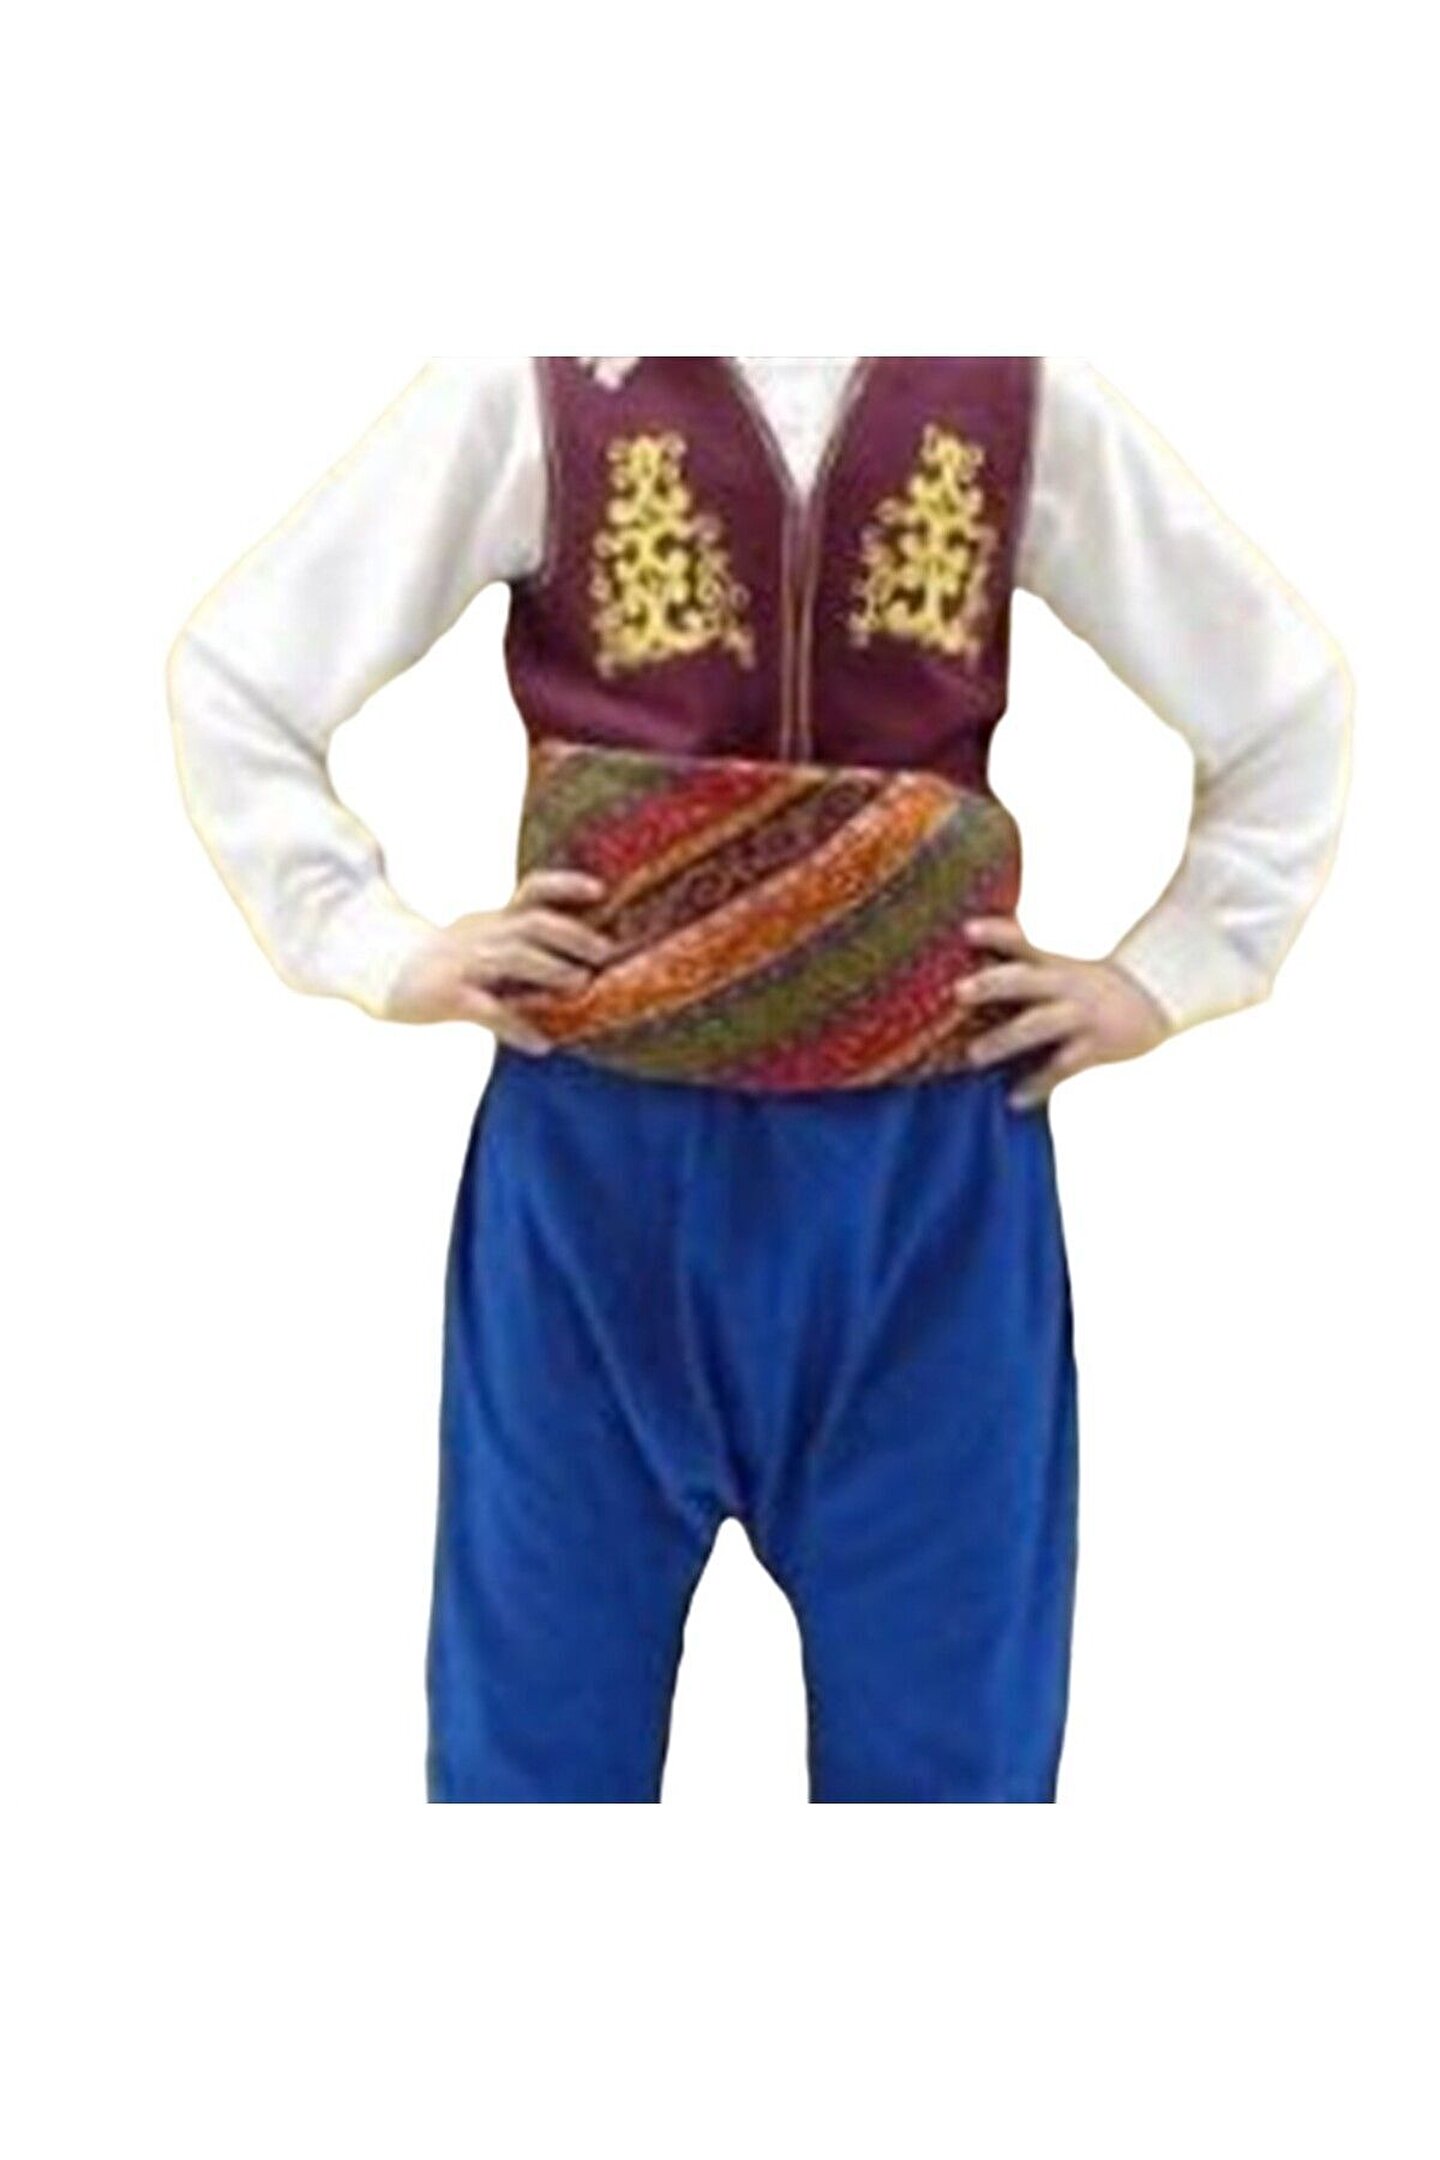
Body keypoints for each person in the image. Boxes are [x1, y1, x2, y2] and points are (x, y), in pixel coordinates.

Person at [168, 357, 1353, 1803]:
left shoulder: (1010, 389)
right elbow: (240, 674)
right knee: (533, 1755)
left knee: (950, 1765)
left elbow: (1286, 702)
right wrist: (369, 940)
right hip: (598, 1175)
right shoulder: (538, 379)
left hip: (923, 1191)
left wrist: (1170, 969)